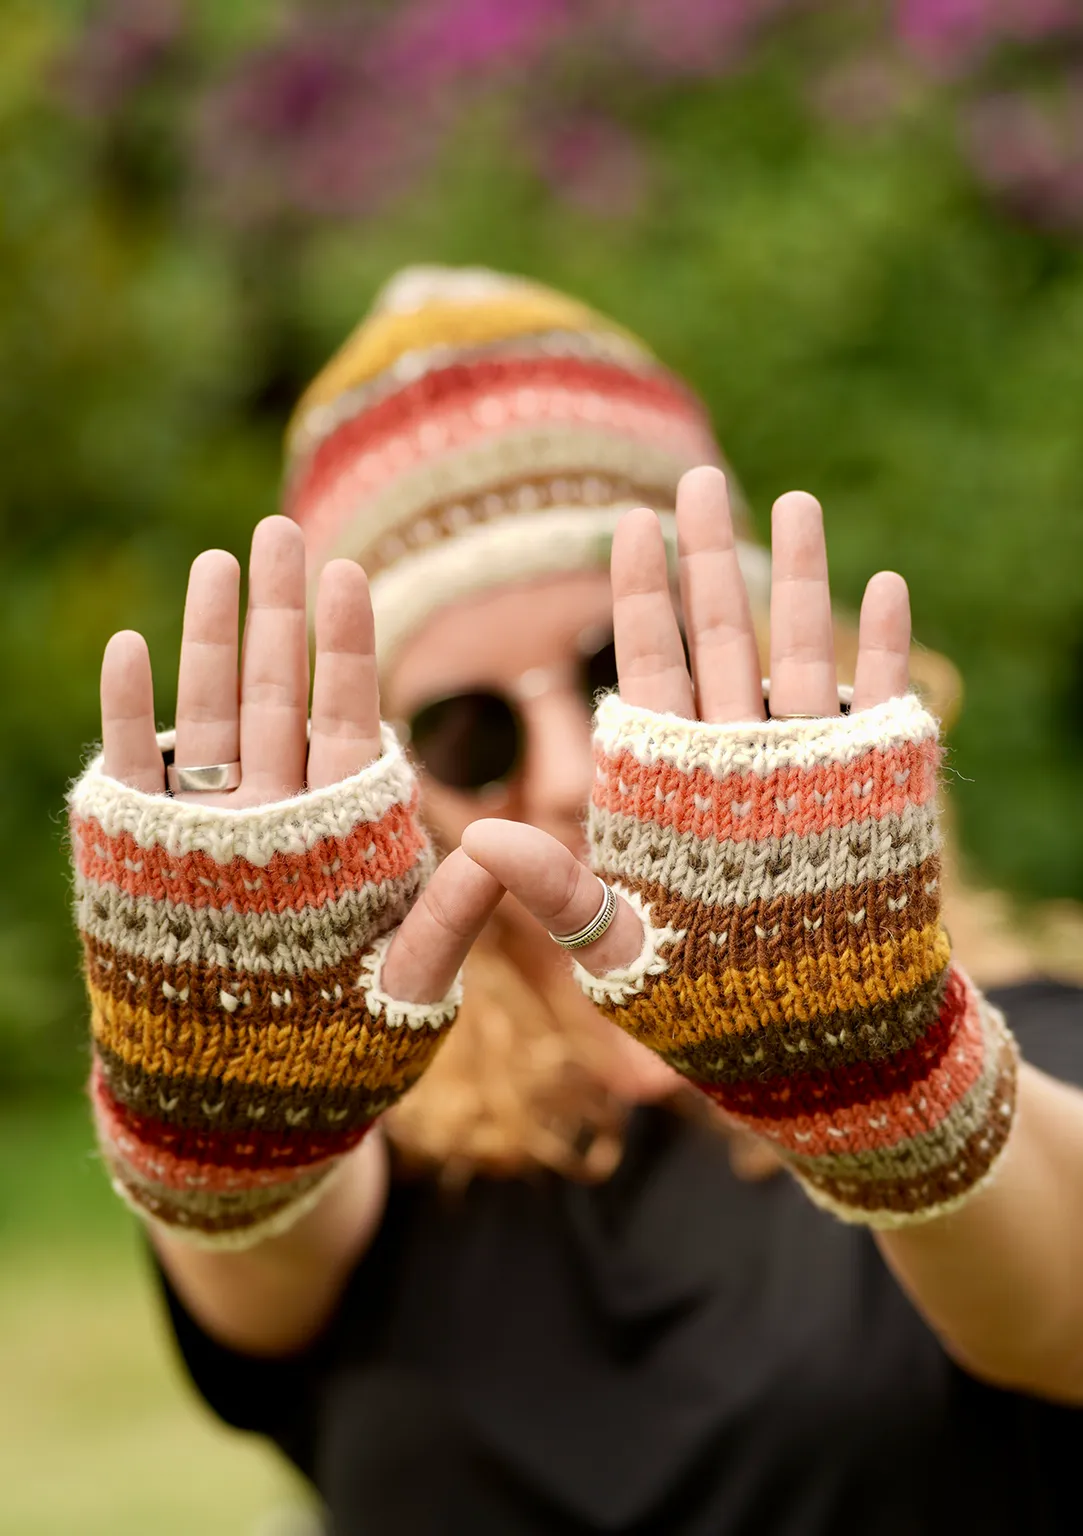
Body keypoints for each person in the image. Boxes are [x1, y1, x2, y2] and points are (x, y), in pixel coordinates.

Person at [68, 266, 1083, 1534]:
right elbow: (256, 1259)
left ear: (756, 654)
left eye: (615, 671)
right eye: (470, 730)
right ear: (380, 778)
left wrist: (893, 1085)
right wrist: (227, 1142)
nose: (562, 775)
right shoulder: (358, 1131)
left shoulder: (1024, 1045)